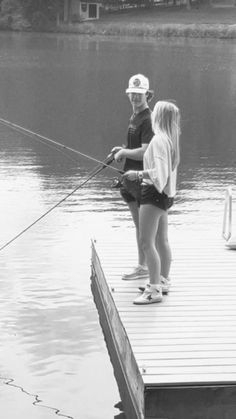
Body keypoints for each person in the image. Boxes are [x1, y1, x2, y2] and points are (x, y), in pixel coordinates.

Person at [122, 100, 181, 304]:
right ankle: (163, 280)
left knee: (147, 242)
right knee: (161, 240)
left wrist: (137, 175)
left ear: (159, 117)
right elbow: (166, 174)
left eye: (155, 112)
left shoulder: (158, 141)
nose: (152, 114)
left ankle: (154, 289)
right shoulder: (170, 139)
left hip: (154, 195)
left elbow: (160, 174)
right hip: (165, 196)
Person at [112, 74, 154, 281]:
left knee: (143, 228)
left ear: (147, 94)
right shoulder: (135, 116)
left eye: (139, 94)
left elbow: (146, 152)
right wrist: (122, 150)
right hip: (129, 178)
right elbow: (134, 147)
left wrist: (124, 153)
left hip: (141, 179)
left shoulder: (148, 119)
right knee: (139, 226)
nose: (135, 97)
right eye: (132, 94)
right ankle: (142, 265)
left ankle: (143, 266)